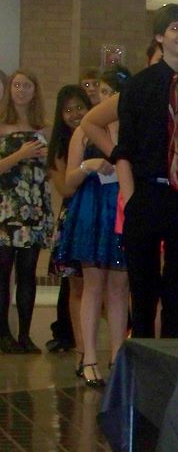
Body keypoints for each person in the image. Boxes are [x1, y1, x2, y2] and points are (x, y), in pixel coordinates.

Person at [109, 4, 178, 338]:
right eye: (175, 28)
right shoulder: (138, 86)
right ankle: (143, 357)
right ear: (159, 36)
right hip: (147, 194)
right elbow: (124, 148)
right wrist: (132, 198)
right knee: (143, 291)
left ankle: (175, 358)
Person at [57, 67, 132, 387]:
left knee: (119, 286)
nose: (104, 97)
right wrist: (88, 166)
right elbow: (68, 182)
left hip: (121, 206)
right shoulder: (85, 130)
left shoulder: (131, 126)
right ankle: (88, 356)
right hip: (91, 207)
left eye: (110, 92)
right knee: (92, 284)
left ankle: (117, 355)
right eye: (100, 92)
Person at [0, 69, 54, 353]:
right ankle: (3, 333)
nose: (21, 90)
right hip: (6, 206)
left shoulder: (44, 129)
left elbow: (52, 169)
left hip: (33, 206)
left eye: (27, 85)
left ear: (35, 91)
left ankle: (25, 334)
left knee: (28, 272)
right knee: (3, 272)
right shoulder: (1, 126)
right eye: (17, 85)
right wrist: (21, 154)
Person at [46, 85, 92, 371]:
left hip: (101, 215)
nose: (75, 114)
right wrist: (86, 168)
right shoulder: (58, 147)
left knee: (108, 287)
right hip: (74, 217)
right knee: (77, 287)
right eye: (68, 110)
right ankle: (81, 350)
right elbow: (65, 188)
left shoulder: (101, 136)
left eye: (80, 108)